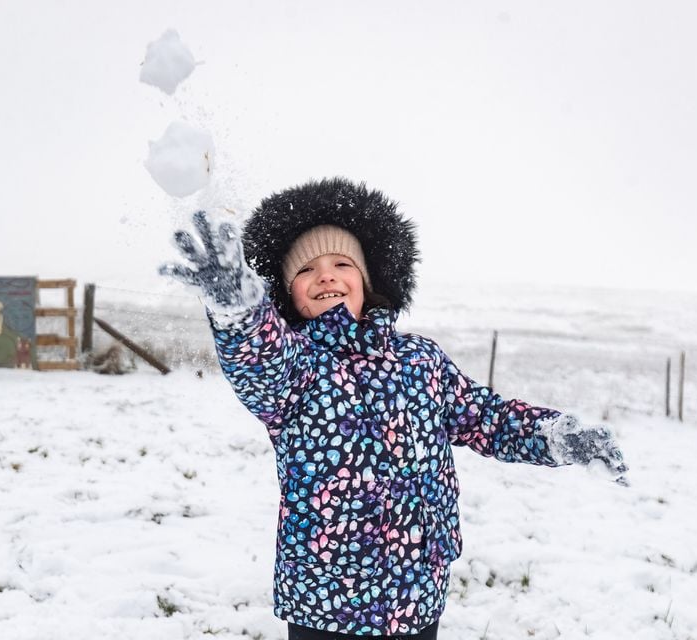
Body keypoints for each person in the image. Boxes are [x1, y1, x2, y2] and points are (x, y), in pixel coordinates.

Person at [160, 177, 627, 640]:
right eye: (306, 270)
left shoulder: (420, 359)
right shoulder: (296, 369)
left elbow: (488, 418)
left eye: (342, 263)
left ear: (367, 279)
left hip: (418, 590)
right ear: (288, 296)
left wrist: (555, 435)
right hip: (327, 602)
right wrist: (237, 307)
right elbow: (259, 357)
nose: (325, 275)